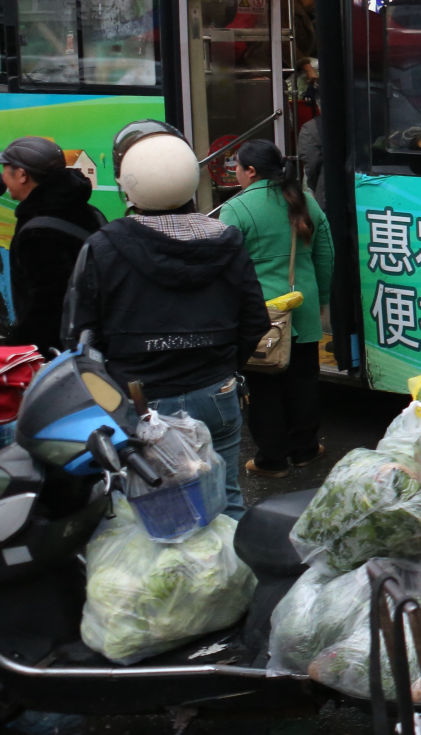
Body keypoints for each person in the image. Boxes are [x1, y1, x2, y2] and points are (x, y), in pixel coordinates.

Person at [65, 121, 268, 518]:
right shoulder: (226, 238)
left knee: (147, 508)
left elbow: (81, 337)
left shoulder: (102, 247)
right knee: (224, 501)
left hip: (137, 399)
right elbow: (254, 320)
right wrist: (224, 365)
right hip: (216, 389)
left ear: (128, 183)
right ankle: (233, 579)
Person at [224, 139, 333, 477]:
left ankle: (272, 460)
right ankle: (305, 450)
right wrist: (320, 298)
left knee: (264, 388)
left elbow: (226, 267)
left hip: (261, 314)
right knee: (304, 382)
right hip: (302, 305)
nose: (237, 174)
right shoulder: (304, 200)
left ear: (251, 171)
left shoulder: (236, 209)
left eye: (238, 168)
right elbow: (325, 256)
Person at [2, 137, 103, 353]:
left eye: (5, 167)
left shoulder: (39, 233)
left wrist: (12, 348)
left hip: (60, 356)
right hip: (94, 344)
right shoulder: (87, 211)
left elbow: (48, 308)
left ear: (21, 175)